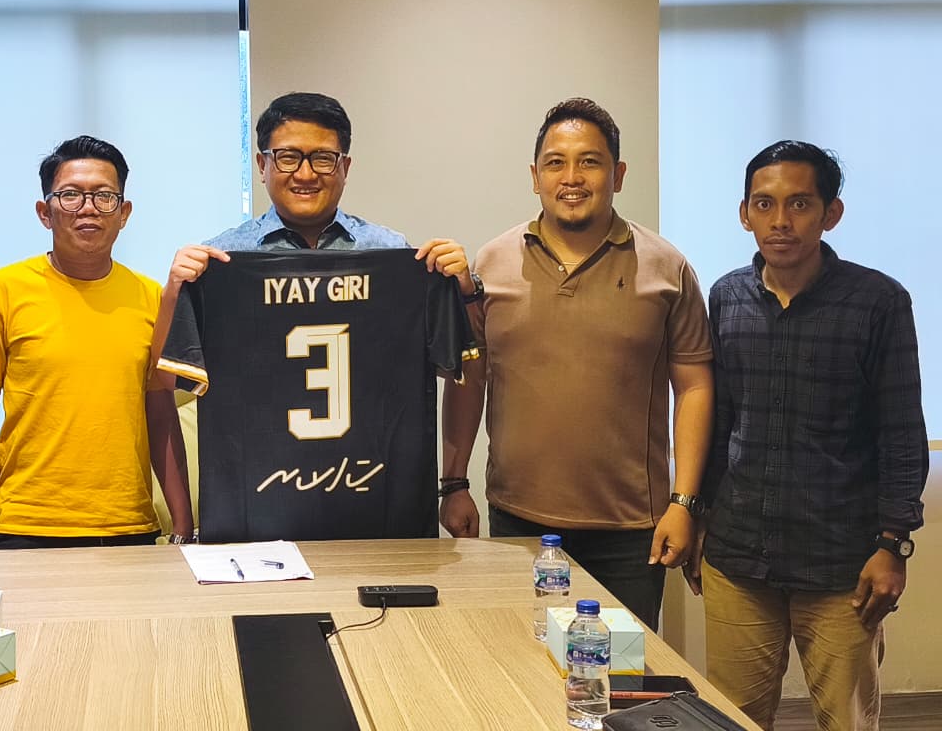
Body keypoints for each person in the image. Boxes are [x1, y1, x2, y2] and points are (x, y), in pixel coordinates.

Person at [439, 97, 715, 630]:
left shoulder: (667, 267)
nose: (572, 177)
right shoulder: (491, 264)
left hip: (631, 532)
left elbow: (696, 386)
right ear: (535, 176)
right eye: (555, 162)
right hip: (519, 523)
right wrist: (453, 483)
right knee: (522, 663)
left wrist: (684, 502)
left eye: (590, 162)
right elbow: (469, 379)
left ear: (618, 174)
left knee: (620, 673)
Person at [694, 141, 927, 731]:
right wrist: (697, 515)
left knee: (847, 721)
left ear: (831, 213)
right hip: (739, 556)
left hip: (843, 565)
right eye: (764, 204)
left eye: (799, 204)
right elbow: (719, 423)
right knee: (733, 719)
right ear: (744, 213)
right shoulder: (725, 297)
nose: (780, 221)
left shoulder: (878, 302)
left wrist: (893, 544)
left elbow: (902, 433)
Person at [0, 135, 194, 551]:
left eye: (104, 196)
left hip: (128, 526)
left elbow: (160, 414)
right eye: (70, 195)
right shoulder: (3, 291)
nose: (88, 208)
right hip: (27, 526)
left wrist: (184, 525)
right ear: (44, 213)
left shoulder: (151, 298)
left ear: (124, 213)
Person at [158, 92, 478, 341]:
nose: (306, 174)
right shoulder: (222, 259)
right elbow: (172, 379)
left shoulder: (392, 252)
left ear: (345, 168)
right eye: (288, 157)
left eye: (323, 158)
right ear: (262, 166)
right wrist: (175, 292)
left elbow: (444, 360)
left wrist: (461, 289)